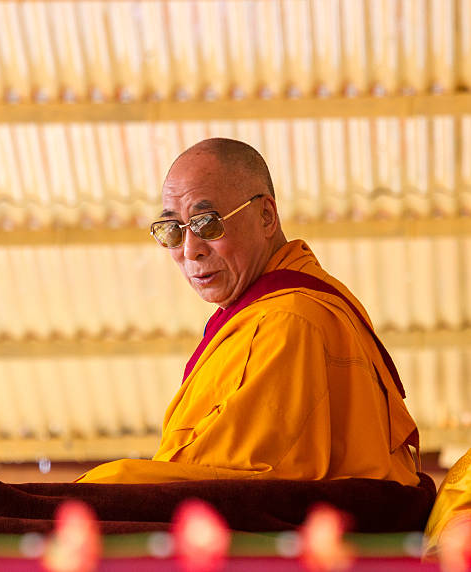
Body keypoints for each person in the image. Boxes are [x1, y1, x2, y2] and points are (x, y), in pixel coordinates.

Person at [76, 137, 420, 485]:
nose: (190, 250)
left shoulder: (290, 320)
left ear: (266, 216)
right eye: (172, 231)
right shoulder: (264, 314)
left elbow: (229, 478)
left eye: (206, 223)